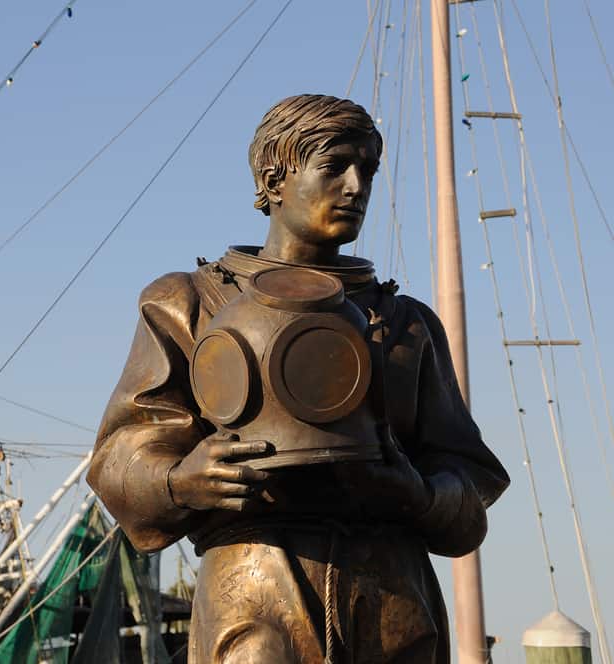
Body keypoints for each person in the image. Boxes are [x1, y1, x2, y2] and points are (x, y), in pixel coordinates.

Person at [86, 94, 509, 663]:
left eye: (368, 170)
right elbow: (122, 452)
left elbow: (467, 479)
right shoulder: (190, 304)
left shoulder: (407, 325)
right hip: (254, 589)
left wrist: (421, 493)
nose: (357, 187)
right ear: (274, 178)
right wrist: (178, 481)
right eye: (335, 166)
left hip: (392, 602)